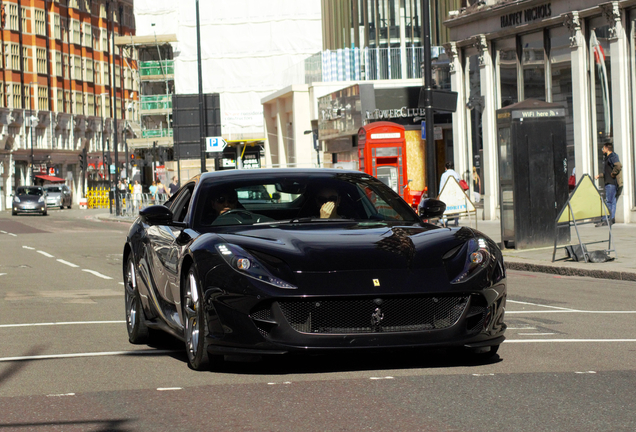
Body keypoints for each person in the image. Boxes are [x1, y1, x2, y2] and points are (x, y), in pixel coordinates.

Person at [595, 143, 622, 226]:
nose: (602, 150)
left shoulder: (612, 156)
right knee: (612, 201)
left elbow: (618, 165)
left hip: (611, 183)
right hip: (610, 183)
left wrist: (613, 174)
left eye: (603, 148)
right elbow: (606, 172)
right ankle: (611, 219)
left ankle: (605, 219)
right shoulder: (608, 158)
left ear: (607, 149)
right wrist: (599, 176)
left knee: (608, 201)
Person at [439, 162, 460, 227]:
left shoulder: (444, 175)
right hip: (454, 193)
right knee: (456, 207)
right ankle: (456, 221)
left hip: (447, 193)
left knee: (444, 208)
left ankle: (444, 221)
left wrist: (440, 195)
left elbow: (442, 186)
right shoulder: (456, 174)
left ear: (445, 168)